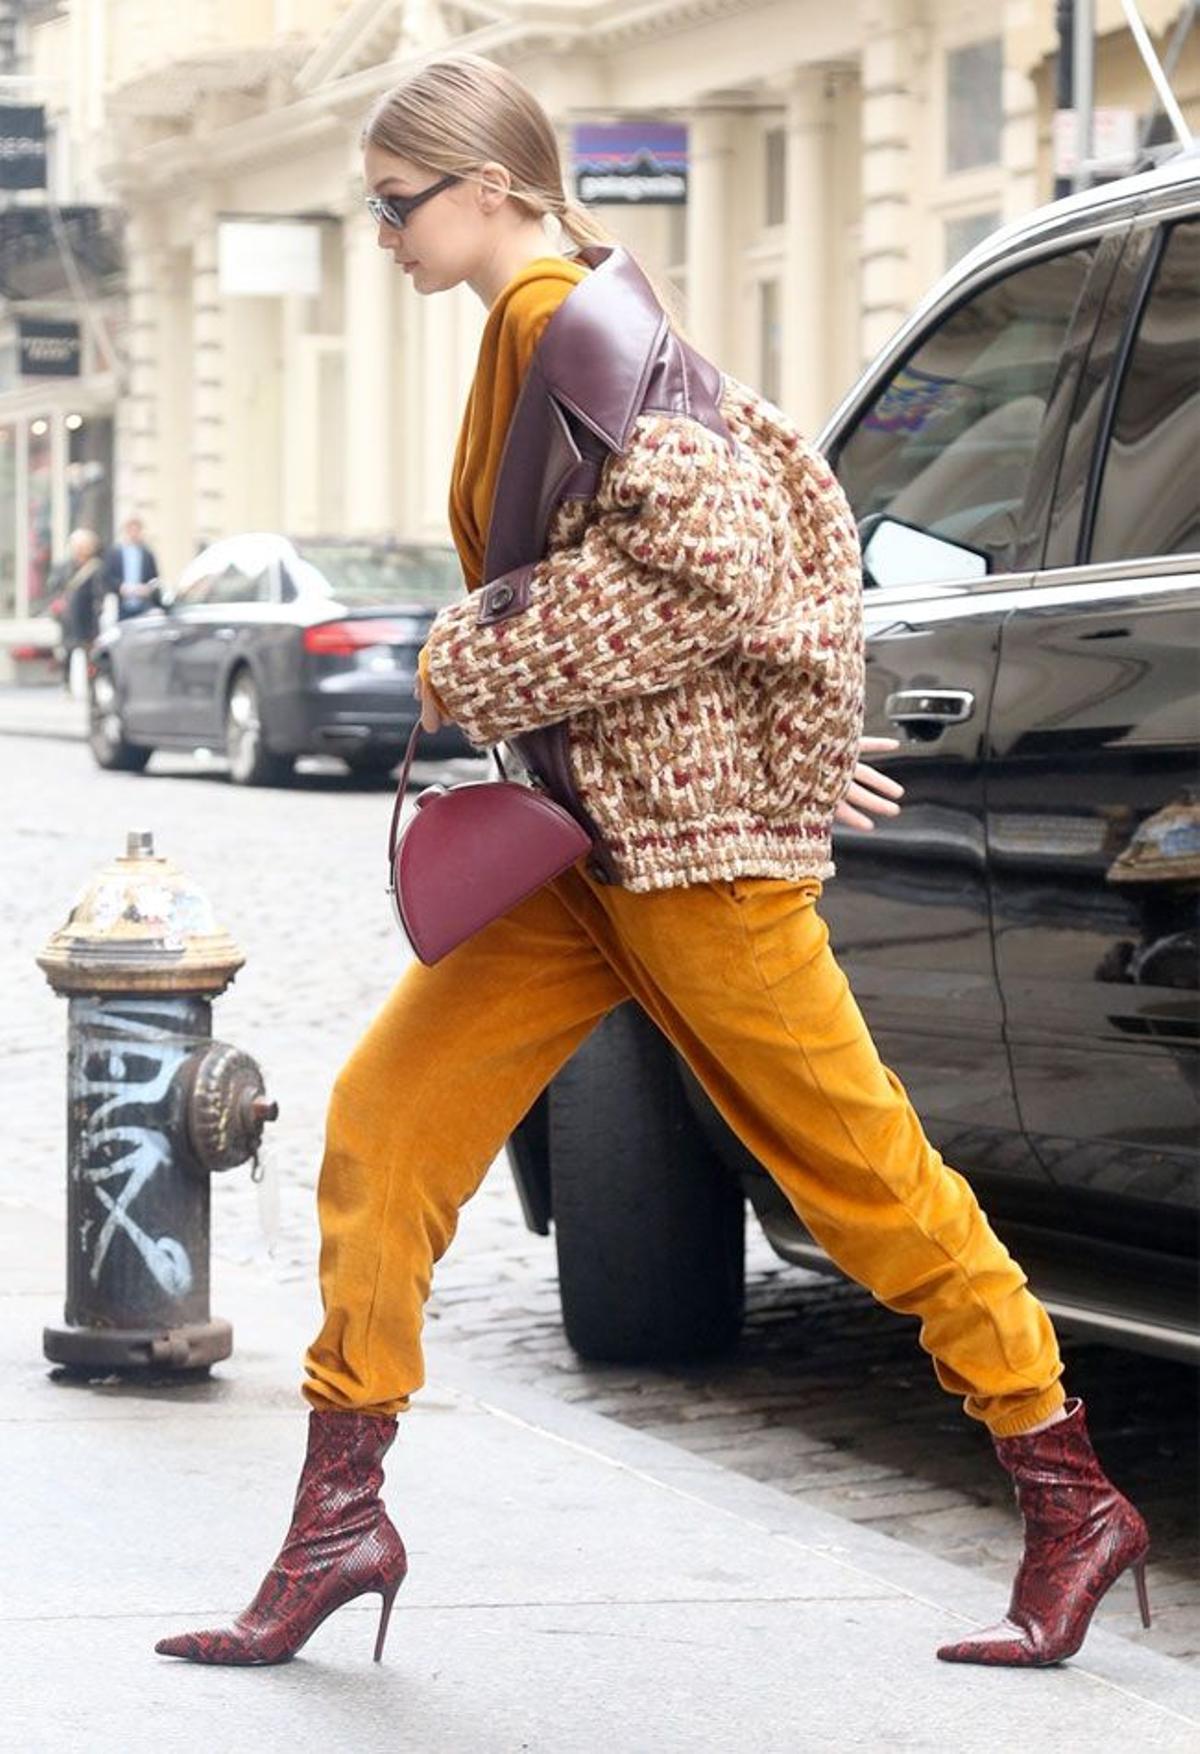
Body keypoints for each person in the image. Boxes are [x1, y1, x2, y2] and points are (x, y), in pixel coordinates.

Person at [154, 53, 1149, 1672]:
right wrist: (790, 721)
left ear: (489, 186)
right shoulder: (549, 323)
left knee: (863, 1177)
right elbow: (776, 516)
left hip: (684, 864)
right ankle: (343, 1516)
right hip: (580, 854)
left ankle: (1070, 1489)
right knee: (388, 1120)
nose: (386, 232)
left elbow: (725, 553)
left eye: (398, 202)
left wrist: (472, 662)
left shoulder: (562, 315)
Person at [52, 527, 107, 699]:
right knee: (67, 654)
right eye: (78, 545)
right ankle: (66, 685)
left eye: (85, 545)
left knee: (90, 658)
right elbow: (53, 587)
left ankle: (92, 688)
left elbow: (101, 592)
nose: (81, 549)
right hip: (68, 619)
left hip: (88, 619)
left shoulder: (96, 567)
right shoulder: (63, 567)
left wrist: (99, 609)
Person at [102, 515, 160, 619]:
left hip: (143, 605)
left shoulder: (147, 554)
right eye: (131, 530)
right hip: (120, 605)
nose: (134, 534)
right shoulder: (114, 553)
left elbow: (155, 578)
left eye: (137, 530)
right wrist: (121, 587)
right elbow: (107, 577)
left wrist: (147, 588)